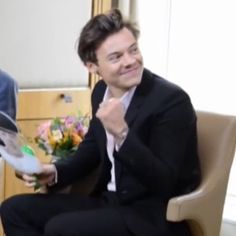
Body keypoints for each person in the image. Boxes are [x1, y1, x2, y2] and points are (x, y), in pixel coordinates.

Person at [0, 9, 200, 236]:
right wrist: (55, 171)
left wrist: (122, 133)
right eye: (116, 57)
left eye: (133, 50)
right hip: (109, 201)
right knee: (13, 210)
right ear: (92, 67)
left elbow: (165, 183)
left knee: (60, 228)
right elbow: (92, 149)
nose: (131, 61)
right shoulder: (101, 91)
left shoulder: (171, 101)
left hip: (152, 214)